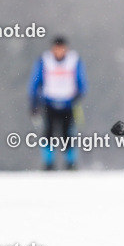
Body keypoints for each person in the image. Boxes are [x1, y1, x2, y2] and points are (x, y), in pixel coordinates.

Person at [29, 36, 87, 170]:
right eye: (57, 48)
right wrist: (34, 103)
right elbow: (35, 82)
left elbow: (81, 81)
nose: (59, 51)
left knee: (68, 133)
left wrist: (79, 95)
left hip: (68, 104)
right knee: (48, 133)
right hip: (49, 103)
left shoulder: (74, 60)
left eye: (62, 48)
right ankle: (48, 163)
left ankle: (70, 162)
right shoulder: (45, 60)